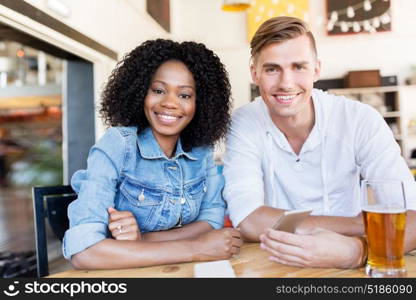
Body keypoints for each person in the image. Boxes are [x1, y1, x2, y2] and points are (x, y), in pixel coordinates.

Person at [223, 16, 416, 269]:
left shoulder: (360, 119)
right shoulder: (243, 122)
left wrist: (357, 251)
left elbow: (411, 218)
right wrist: (362, 225)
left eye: (299, 67)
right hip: (276, 263)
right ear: (254, 73)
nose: (286, 83)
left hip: (351, 264)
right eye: (272, 69)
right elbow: (248, 220)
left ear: (316, 69)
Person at [63, 39, 242, 269]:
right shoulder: (118, 144)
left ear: (201, 103)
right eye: (158, 90)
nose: (169, 103)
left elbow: (212, 221)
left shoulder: (201, 150)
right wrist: (194, 248)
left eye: (185, 95)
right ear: (140, 93)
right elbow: (85, 251)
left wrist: (142, 240)